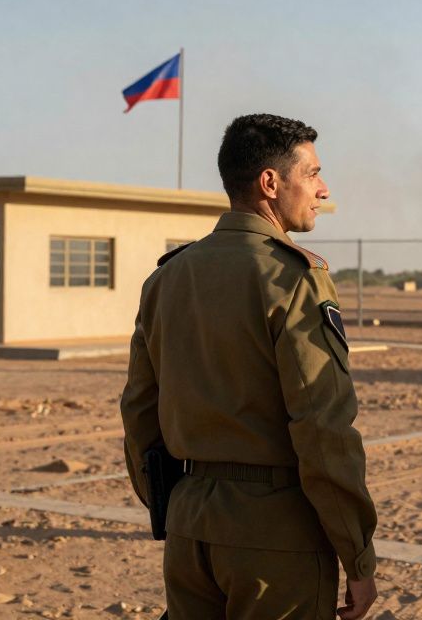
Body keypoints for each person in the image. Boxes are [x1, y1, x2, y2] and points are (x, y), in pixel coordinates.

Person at [121, 113, 378, 620]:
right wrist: (358, 553)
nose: (323, 189)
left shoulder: (169, 278)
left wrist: (171, 506)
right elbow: (323, 426)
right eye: (312, 174)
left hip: (189, 528)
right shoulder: (292, 277)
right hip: (275, 535)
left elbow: (138, 411)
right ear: (269, 183)